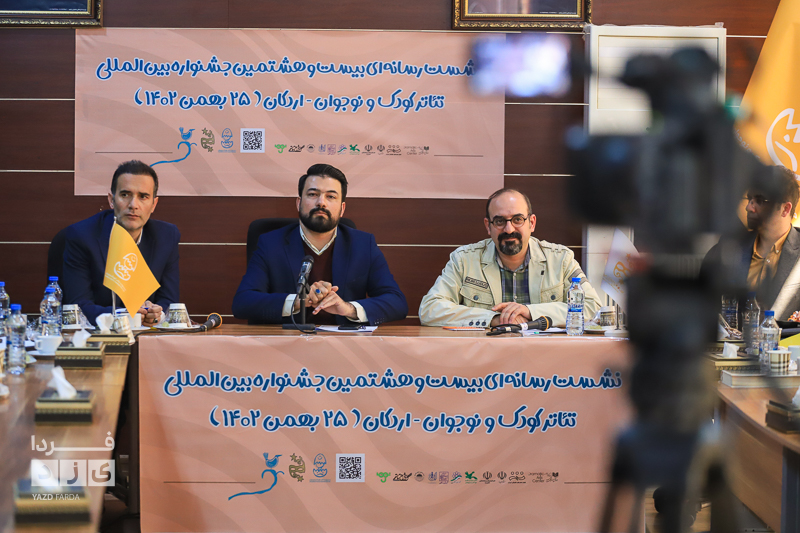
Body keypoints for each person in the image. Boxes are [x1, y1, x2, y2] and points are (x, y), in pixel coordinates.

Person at [232, 163, 408, 325]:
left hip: (344, 344)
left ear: (342, 209)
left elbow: (397, 302)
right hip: (286, 343)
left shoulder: (363, 245)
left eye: (330, 196)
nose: (321, 202)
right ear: (299, 203)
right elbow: (243, 302)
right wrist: (298, 301)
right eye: (313, 194)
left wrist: (347, 308)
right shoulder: (271, 243)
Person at [419, 188, 601, 327]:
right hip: (485, 357)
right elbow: (430, 309)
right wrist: (494, 319)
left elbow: (592, 308)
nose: (509, 229)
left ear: (531, 223)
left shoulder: (561, 259)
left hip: (546, 357)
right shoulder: (464, 260)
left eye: (517, 219)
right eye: (499, 221)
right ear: (488, 226)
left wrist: (530, 312)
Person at [62, 160, 180, 326]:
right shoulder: (81, 236)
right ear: (111, 200)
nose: (133, 205)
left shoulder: (167, 236)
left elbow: (169, 302)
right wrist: (125, 315)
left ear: (154, 204)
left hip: (147, 334)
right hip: (99, 335)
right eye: (125, 195)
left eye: (143, 197)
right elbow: (78, 307)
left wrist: (156, 314)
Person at [701, 165, 800, 320]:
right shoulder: (726, 250)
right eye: (749, 199)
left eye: (759, 201)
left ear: (785, 209)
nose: (749, 207)